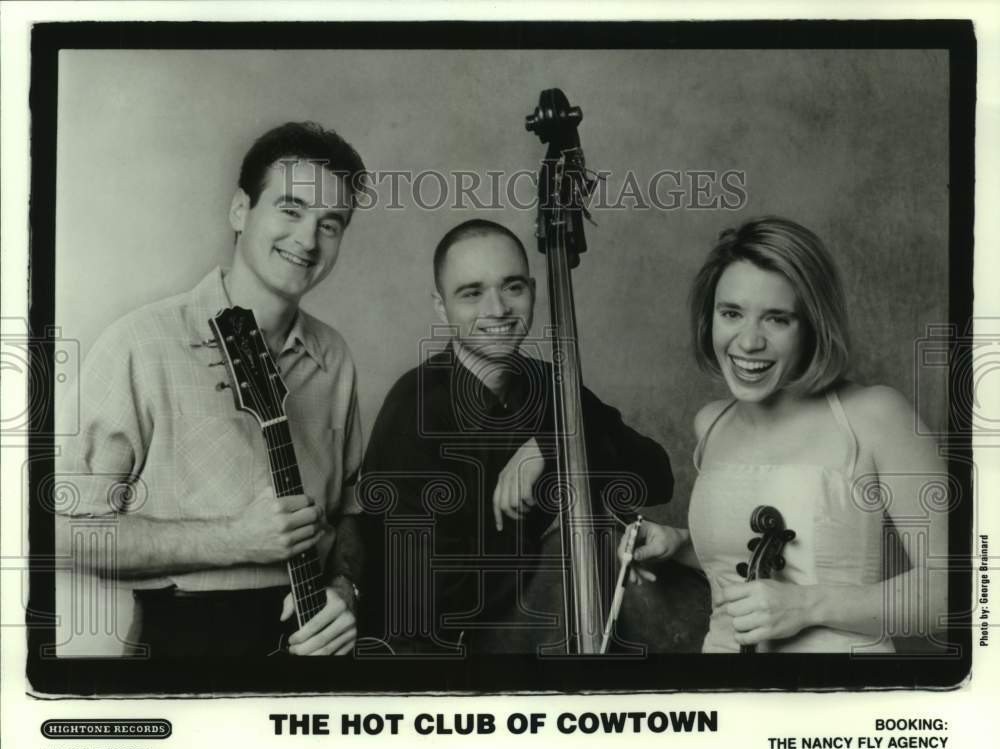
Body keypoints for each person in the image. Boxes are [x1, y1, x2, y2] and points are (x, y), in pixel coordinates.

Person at [55, 122, 367, 657]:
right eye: (290, 210)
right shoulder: (142, 343)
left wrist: (345, 588)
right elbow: (57, 532)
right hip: (185, 646)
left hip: (310, 645)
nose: (308, 240)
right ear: (241, 211)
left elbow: (352, 514)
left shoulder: (333, 356)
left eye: (331, 223)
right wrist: (233, 538)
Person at [620, 216, 947, 653]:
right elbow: (752, 571)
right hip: (727, 693)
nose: (749, 342)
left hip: (838, 698)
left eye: (777, 319)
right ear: (709, 317)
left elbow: (960, 590)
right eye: (731, 313)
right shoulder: (712, 424)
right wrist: (680, 545)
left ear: (812, 324)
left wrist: (809, 606)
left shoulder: (874, 416)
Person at [360, 219, 674, 653]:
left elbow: (657, 474)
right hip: (445, 662)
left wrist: (548, 444)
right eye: (472, 293)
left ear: (531, 288)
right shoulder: (411, 408)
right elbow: (428, 595)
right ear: (440, 306)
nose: (498, 309)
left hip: (547, 638)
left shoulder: (554, 389)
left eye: (512, 287)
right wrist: (584, 549)